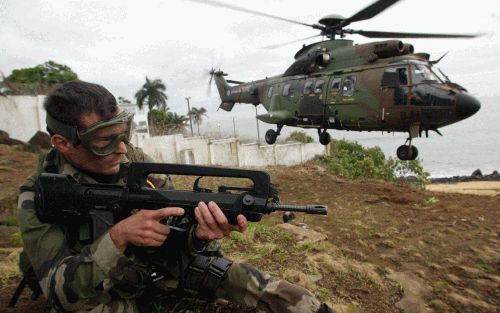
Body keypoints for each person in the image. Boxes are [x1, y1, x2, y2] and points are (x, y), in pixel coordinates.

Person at [17, 80, 334, 313]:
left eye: (123, 134)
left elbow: (179, 238)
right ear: (63, 143)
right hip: (100, 295)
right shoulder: (40, 195)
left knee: (278, 294)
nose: (123, 149)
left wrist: (200, 235)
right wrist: (117, 239)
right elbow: (59, 294)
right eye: (103, 141)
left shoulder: (137, 165)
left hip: (160, 274)